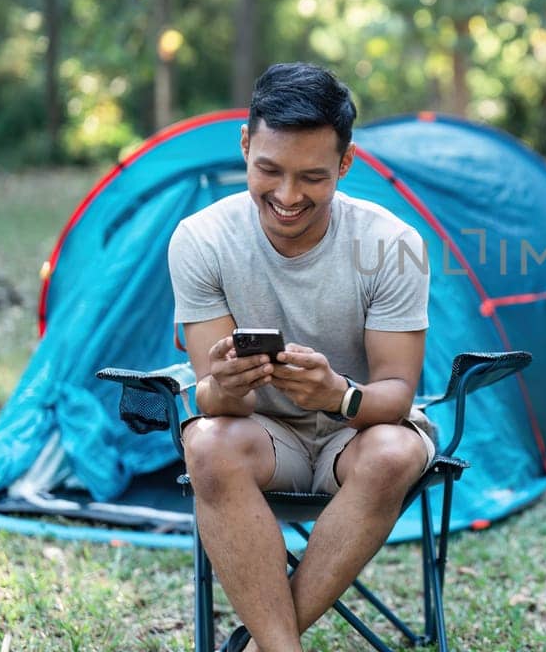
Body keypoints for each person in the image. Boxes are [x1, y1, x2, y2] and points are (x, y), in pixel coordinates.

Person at [167, 62, 435, 652]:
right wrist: (230, 384)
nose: (287, 197)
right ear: (244, 145)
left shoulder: (393, 245)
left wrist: (338, 394)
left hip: (359, 433)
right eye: (268, 170)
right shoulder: (201, 240)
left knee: (393, 451)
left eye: (312, 177)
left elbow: (397, 393)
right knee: (207, 442)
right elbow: (208, 397)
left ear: (345, 164)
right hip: (263, 435)